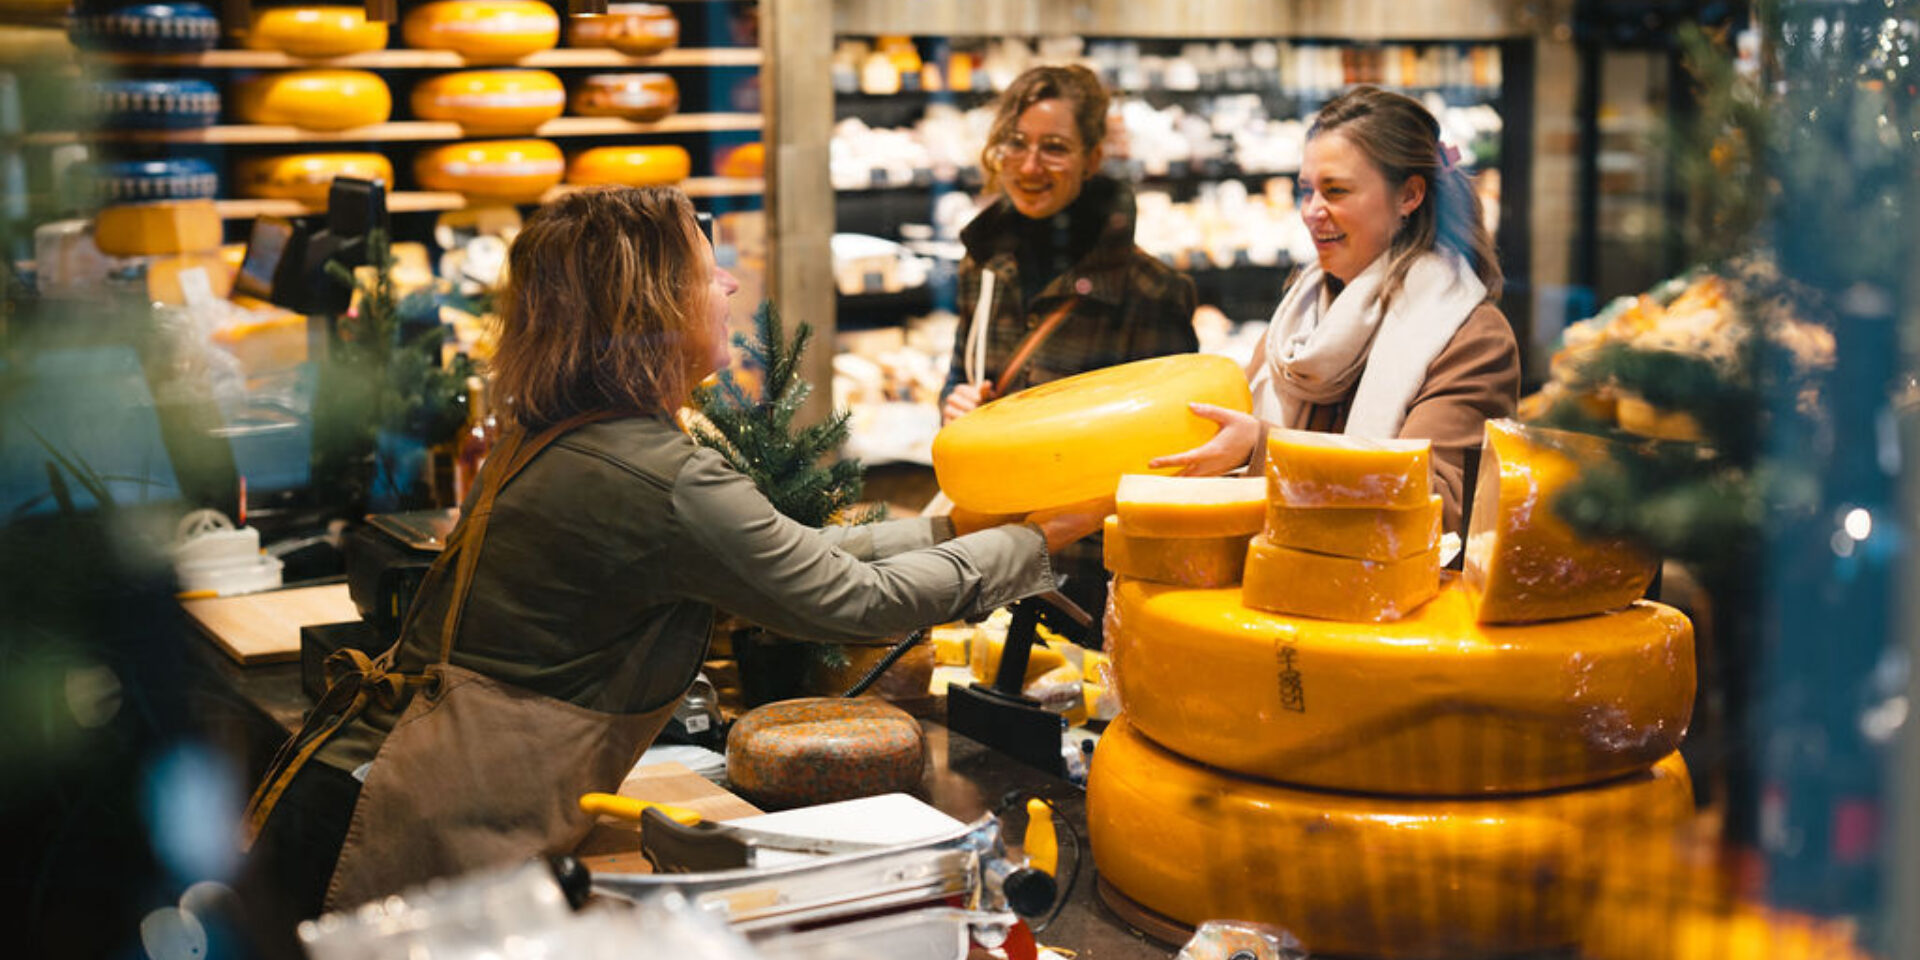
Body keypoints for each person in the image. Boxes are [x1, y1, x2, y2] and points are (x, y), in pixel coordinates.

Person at [237, 187, 1104, 954]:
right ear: (649, 303)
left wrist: (956, 528)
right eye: (706, 271)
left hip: (370, 789)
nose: (728, 287)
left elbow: (807, 554)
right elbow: (851, 598)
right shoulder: (654, 472)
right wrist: (1034, 543)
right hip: (389, 829)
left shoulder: (580, 431)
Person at [1152, 85, 1518, 529]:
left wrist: (1263, 451)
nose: (1312, 212)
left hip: (1392, 594)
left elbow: (1437, 500)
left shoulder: (1471, 337)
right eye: (1307, 191)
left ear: (1409, 196)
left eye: (1336, 191)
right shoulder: (1299, 317)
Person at [939, 63, 1198, 630]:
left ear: (1093, 157)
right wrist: (957, 412)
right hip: (989, 557)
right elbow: (960, 373)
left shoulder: (1147, 292)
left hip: (1089, 583)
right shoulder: (982, 265)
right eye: (1017, 144)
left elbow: (1173, 462)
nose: (1030, 167)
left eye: (1054, 148)